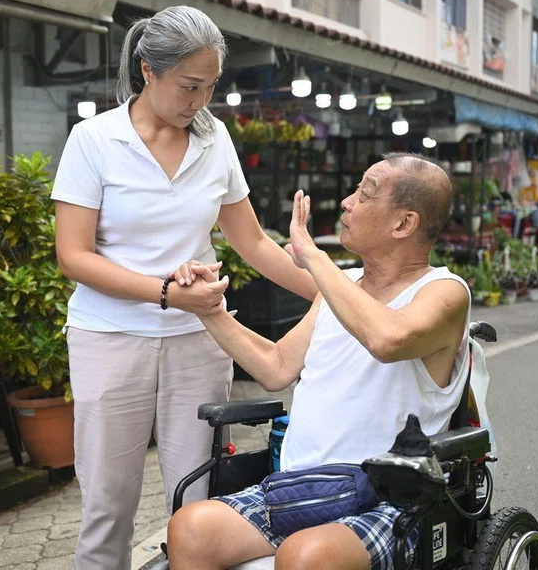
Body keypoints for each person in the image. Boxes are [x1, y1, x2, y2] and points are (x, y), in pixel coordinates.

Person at [52, 5, 317, 569]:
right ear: (148, 71)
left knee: (200, 499)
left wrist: (334, 292)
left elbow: (253, 243)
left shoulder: (214, 138)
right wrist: (167, 295)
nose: (200, 101)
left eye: (211, 86)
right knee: (107, 503)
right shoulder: (93, 140)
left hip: (199, 340)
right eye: (189, 86)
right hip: (110, 338)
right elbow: (73, 256)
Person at [167, 153, 471, 570]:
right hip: (303, 489)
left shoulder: (445, 292)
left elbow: (387, 338)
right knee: (190, 528)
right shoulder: (340, 288)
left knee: (303, 555)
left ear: (404, 224)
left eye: (364, 194)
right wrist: (209, 310)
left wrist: (313, 256)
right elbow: (275, 367)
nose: (347, 202)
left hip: (392, 498)